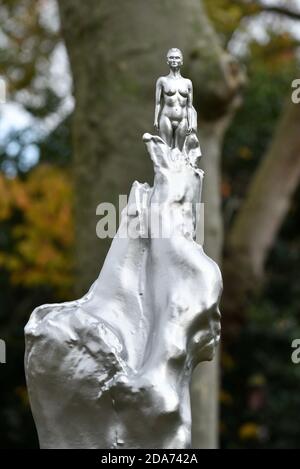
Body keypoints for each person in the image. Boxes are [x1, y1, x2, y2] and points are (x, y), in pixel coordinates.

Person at [154, 48, 201, 162]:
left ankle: (178, 178)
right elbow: (158, 103)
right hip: (166, 118)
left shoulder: (187, 83)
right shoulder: (162, 81)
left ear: (182, 61)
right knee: (165, 152)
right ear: (167, 61)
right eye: (171, 57)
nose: (174, 60)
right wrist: (155, 119)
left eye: (177, 57)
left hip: (183, 119)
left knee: (178, 154)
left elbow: (189, 106)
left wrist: (190, 122)